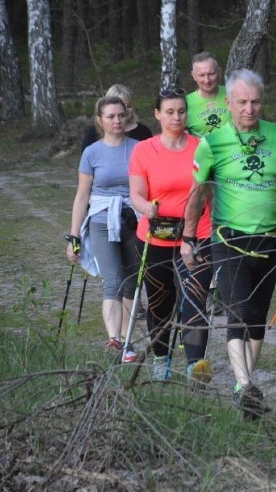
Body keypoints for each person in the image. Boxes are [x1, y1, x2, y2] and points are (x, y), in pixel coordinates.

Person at [181, 69, 276, 418]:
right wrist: (189, 237)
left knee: (256, 319)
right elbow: (198, 193)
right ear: (228, 103)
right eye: (242, 103)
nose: (249, 109)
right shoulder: (213, 143)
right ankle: (244, 385)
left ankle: (245, 384)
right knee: (236, 311)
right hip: (228, 238)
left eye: (255, 102)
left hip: (271, 240)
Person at [129, 88, 214, 385]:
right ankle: (161, 357)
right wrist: (144, 208)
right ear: (157, 114)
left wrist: (215, 223)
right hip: (156, 236)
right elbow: (136, 193)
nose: (176, 117)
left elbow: (208, 191)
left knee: (195, 296)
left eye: (181, 111)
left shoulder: (202, 146)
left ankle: (194, 365)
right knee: (159, 302)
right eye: (169, 112)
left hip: (198, 234)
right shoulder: (144, 150)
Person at [67, 96, 140, 362]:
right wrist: (73, 236)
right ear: (100, 121)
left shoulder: (139, 148)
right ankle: (115, 340)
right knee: (113, 280)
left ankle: (128, 341)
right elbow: (81, 196)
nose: (117, 120)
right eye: (110, 116)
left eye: (121, 115)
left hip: (133, 219)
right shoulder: (92, 152)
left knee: (132, 282)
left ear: (127, 116)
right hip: (100, 220)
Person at [81, 84, 152, 152]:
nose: (125, 110)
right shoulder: (93, 134)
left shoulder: (143, 132)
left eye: (129, 106)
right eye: (122, 106)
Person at [185, 52, 231, 137]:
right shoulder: (185, 104)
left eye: (211, 74)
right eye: (201, 75)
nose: (207, 80)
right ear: (194, 76)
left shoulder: (233, 94)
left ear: (220, 72)